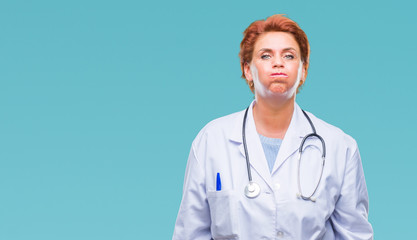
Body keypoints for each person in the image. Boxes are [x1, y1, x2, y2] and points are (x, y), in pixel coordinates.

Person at [173, 14, 373, 240]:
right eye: (266, 55)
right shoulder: (212, 140)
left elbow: (354, 235)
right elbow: (190, 234)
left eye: (289, 56)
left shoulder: (339, 147)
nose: (278, 63)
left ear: (303, 70)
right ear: (248, 69)